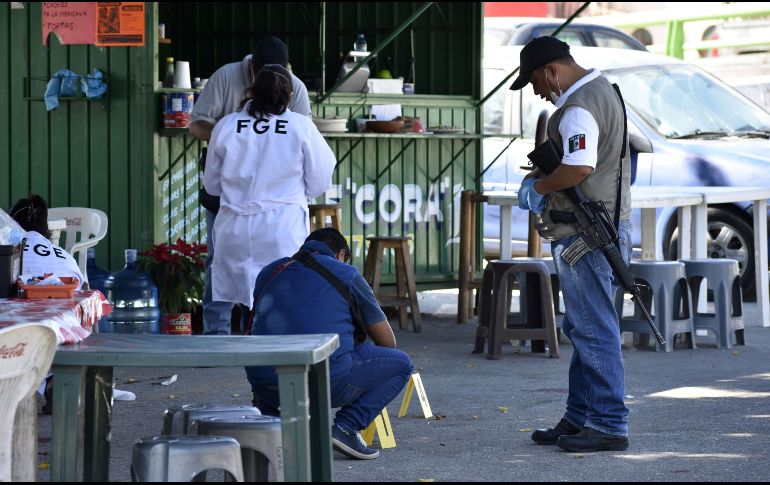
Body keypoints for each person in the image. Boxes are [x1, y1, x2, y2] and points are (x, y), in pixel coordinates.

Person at [510, 36, 632, 452]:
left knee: (594, 328)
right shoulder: (605, 92)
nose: (538, 92)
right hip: (601, 226)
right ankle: (580, 416)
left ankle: (608, 423)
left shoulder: (578, 107)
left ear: (552, 71)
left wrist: (540, 185)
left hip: (585, 232)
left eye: (535, 83)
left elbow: (579, 167)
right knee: (583, 325)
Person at [245, 228, 414, 460]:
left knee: (271, 356)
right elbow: (387, 342)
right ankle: (345, 428)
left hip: (266, 384)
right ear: (341, 253)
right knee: (402, 364)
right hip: (323, 380)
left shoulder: (269, 272)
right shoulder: (348, 274)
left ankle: (273, 423)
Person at [190, 36, 313, 335]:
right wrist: (230, 137)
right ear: (251, 68)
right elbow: (196, 124)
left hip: (270, 191)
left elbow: (304, 135)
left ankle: (254, 330)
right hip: (231, 183)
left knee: (267, 265)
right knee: (219, 260)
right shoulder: (226, 77)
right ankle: (216, 333)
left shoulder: (294, 86)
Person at [203, 63, 335, 313]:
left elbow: (211, 185)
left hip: (235, 230)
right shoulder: (301, 126)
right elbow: (319, 180)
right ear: (290, 96)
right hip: (281, 231)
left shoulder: (226, 126)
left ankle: (230, 348)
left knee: (236, 302)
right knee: (279, 306)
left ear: (251, 92)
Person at [9, 194, 85, 289]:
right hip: (67, 301)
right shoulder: (68, 259)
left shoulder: (8, 259)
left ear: (12, 226)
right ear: (46, 227)